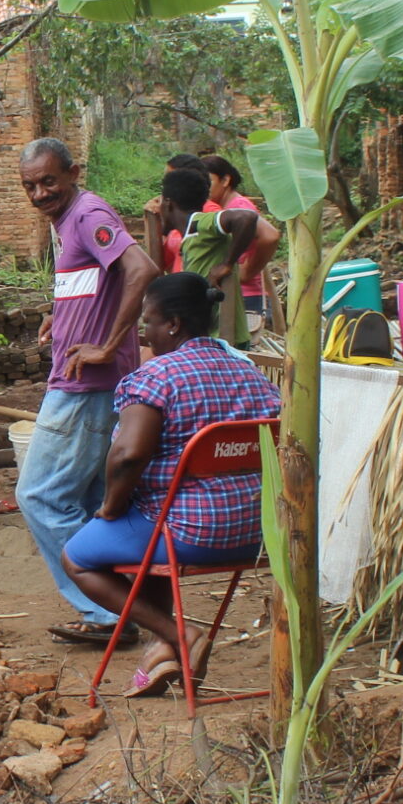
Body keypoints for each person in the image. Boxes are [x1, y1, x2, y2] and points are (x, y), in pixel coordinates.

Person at [60, 274, 283, 695]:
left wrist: (111, 506)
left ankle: (180, 635)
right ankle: (161, 650)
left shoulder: (156, 377)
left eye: (149, 321)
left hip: (192, 534)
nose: (145, 332)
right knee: (146, 528)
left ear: (174, 324)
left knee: (77, 558)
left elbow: (128, 455)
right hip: (258, 534)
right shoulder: (250, 373)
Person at [16, 136, 160, 646]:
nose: (40, 193)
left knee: (39, 496)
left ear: (73, 173)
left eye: (48, 181)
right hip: (91, 383)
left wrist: (107, 344)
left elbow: (142, 270)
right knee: (93, 498)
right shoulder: (68, 221)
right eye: (30, 186)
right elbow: (98, 282)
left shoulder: (87, 213)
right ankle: (121, 608)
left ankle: (104, 611)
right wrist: (61, 316)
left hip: (84, 386)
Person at [150, 168, 267, 347]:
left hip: (223, 338)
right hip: (209, 337)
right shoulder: (189, 235)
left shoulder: (200, 223)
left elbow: (246, 217)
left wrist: (227, 264)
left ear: (168, 203)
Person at [200, 155, 279, 326]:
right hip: (235, 293)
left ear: (225, 180)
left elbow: (270, 236)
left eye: (208, 181)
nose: (203, 188)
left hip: (246, 296)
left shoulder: (239, 208)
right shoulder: (224, 209)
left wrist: (247, 271)